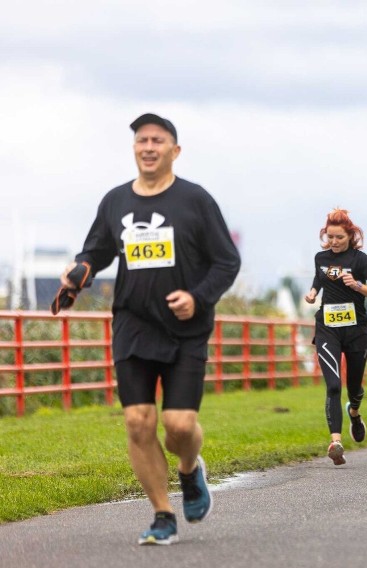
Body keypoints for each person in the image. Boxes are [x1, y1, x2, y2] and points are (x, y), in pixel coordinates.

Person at [56, 113, 241, 545]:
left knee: (178, 426)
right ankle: (162, 515)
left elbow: (226, 261)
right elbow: (97, 250)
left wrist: (197, 296)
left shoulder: (195, 200)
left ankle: (190, 469)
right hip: (133, 325)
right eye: (142, 140)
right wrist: (79, 271)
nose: (149, 146)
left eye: (158, 140)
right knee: (139, 422)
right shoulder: (116, 201)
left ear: (174, 151)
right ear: (135, 149)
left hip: (185, 329)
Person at [305, 209, 367, 465]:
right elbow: (318, 279)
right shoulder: (320, 257)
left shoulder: (361, 260)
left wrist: (358, 286)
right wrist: (312, 293)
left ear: (350, 236)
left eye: (339, 237)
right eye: (330, 237)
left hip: (356, 330)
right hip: (327, 327)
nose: (334, 242)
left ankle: (354, 412)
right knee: (333, 385)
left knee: (354, 389)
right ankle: (336, 442)